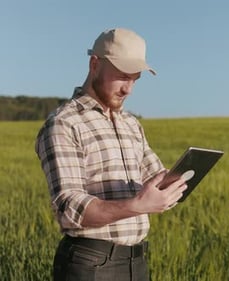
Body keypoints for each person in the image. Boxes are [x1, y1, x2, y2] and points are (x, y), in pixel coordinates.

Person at [35, 27, 188, 281]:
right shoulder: (64, 123)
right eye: (121, 77)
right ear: (94, 64)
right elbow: (69, 207)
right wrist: (137, 206)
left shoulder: (130, 123)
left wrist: (176, 182)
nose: (128, 89)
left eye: (135, 79)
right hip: (90, 265)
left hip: (137, 263)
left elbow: (156, 177)